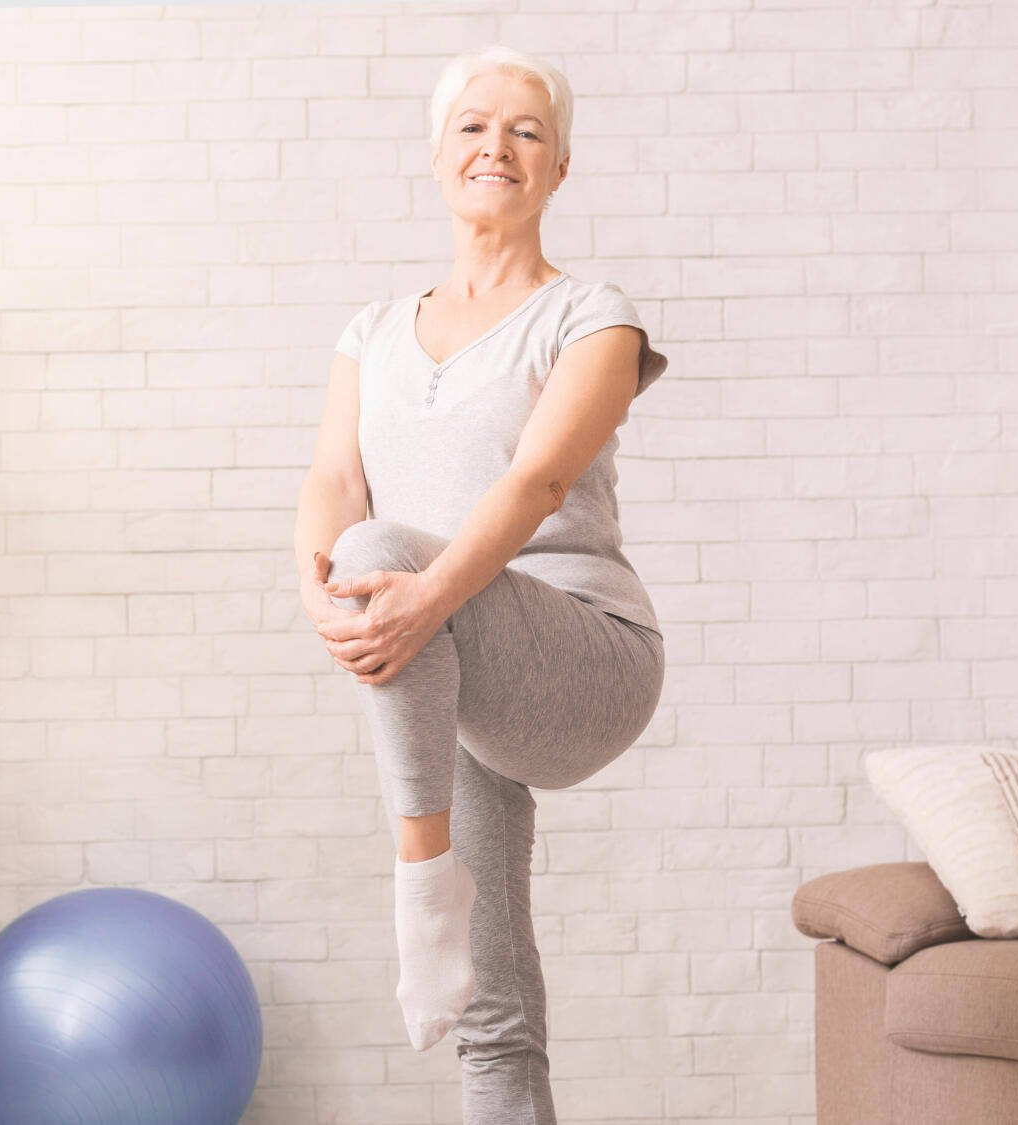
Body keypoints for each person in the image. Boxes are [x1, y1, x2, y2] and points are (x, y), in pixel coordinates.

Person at [290, 44, 669, 1125]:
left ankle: (421, 877)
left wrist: (406, 589)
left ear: (558, 168)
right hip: (445, 662)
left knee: (378, 549)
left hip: (584, 654)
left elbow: (537, 482)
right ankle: (447, 914)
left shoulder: (592, 316)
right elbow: (331, 478)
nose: (496, 145)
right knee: (489, 1020)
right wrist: (318, 593)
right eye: (472, 125)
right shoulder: (372, 332)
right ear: (436, 154)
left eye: (525, 131)